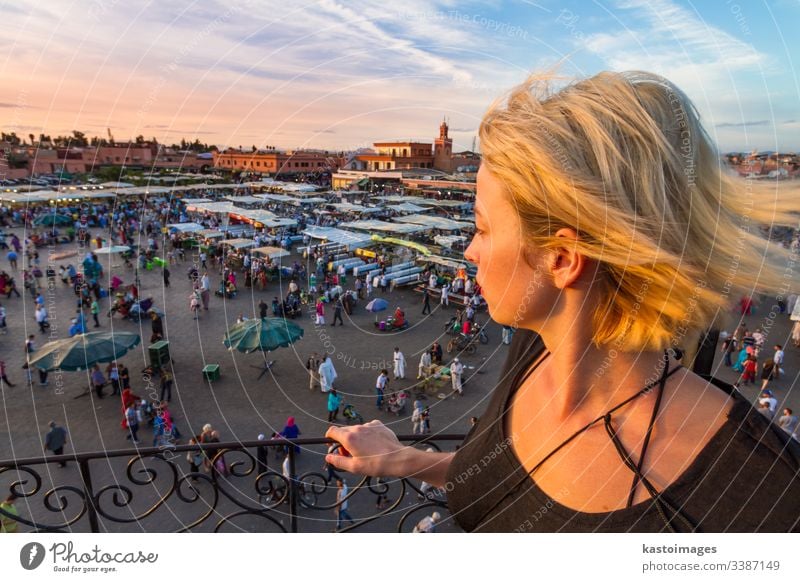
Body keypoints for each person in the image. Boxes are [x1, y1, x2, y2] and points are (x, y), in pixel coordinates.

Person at [323, 70, 800, 532]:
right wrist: (405, 459)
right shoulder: (533, 350)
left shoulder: (764, 499)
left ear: (563, 258)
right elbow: (508, 482)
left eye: (484, 228)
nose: (469, 249)